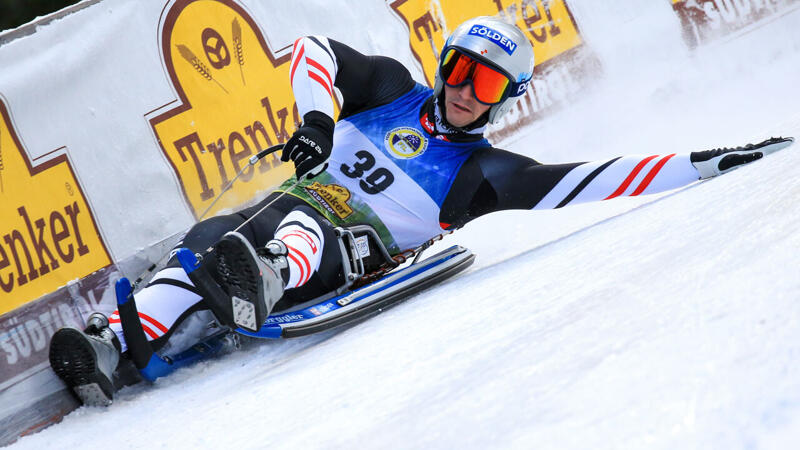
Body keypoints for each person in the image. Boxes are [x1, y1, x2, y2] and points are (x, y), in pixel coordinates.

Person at [49, 16, 792, 405]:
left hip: (348, 248)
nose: (470, 90)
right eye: (464, 71)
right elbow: (313, 51)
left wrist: (705, 163)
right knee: (208, 239)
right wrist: (314, 123)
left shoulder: (481, 172)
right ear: (444, 66)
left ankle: (266, 277)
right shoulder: (389, 89)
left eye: (489, 86)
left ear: (505, 99)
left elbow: (593, 178)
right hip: (281, 209)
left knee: (303, 229)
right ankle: (115, 343)